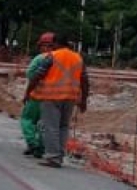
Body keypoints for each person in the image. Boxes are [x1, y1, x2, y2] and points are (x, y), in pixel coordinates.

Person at [23, 32, 89, 168]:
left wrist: (28, 92)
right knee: (63, 127)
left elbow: (37, 76)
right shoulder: (78, 58)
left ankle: (53, 158)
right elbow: (85, 81)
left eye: (52, 44)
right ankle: (59, 155)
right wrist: (84, 100)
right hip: (70, 97)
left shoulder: (51, 56)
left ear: (56, 43)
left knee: (50, 127)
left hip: (51, 97)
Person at [20, 32, 55, 158]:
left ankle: (32, 142)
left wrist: (27, 93)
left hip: (36, 96)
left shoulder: (40, 58)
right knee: (43, 124)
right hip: (52, 98)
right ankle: (40, 149)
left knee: (27, 120)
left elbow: (30, 75)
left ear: (45, 45)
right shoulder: (59, 58)